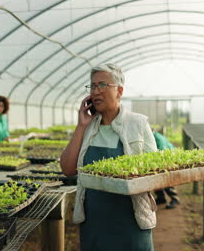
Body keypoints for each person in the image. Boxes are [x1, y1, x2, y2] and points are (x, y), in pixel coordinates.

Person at [60, 63, 158, 251]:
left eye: (102, 85)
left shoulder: (137, 124)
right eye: (93, 86)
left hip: (131, 220)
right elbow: (67, 169)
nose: (96, 92)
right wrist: (80, 125)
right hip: (94, 221)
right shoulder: (88, 126)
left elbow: (154, 175)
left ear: (119, 91)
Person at [153, 131, 180, 209]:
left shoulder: (157, 138)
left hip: (169, 157)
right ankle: (161, 198)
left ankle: (175, 198)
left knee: (165, 177)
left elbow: (162, 151)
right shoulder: (153, 136)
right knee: (155, 177)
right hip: (162, 158)